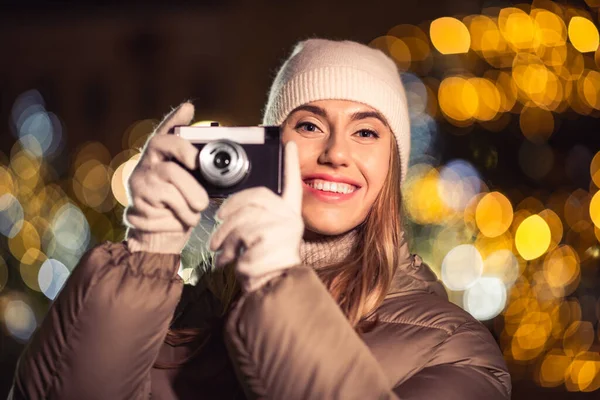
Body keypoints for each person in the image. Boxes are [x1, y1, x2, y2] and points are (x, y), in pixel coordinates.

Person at [9, 38, 511, 399]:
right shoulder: (178, 318)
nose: (336, 152)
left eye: (366, 133)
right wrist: (143, 258)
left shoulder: (456, 347)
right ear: (270, 148)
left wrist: (278, 285)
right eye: (310, 124)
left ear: (392, 165)